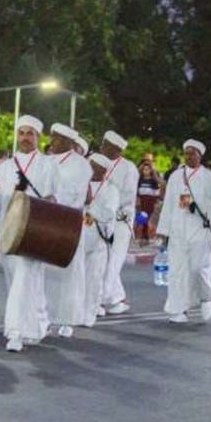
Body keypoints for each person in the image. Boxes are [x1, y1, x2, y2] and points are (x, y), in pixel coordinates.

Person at [0, 114, 61, 352]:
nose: (25, 137)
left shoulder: (49, 165)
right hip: (9, 231)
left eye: (30, 133)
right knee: (21, 281)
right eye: (22, 133)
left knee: (23, 278)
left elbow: (59, 199)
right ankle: (37, 326)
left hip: (35, 231)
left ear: (38, 137)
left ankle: (15, 333)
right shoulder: (5, 167)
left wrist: (51, 201)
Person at [156, 139, 211, 323]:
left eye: (192, 153)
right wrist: (163, 230)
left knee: (198, 269)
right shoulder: (175, 176)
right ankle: (178, 310)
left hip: (200, 230)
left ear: (200, 155)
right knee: (177, 271)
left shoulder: (209, 177)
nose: (189, 156)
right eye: (186, 153)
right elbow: (169, 205)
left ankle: (205, 298)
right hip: (178, 230)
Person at [44, 123, 93, 339]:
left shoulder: (81, 165)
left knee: (69, 274)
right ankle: (45, 316)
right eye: (52, 137)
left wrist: (54, 200)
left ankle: (67, 320)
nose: (51, 141)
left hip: (68, 223)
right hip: (46, 223)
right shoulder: (46, 161)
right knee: (45, 274)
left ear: (67, 142)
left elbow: (76, 196)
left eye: (55, 138)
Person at [99, 131, 139, 316]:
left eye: (105, 144)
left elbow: (127, 196)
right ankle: (115, 300)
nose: (102, 145)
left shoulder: (128, 168)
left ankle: (99, 300)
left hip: (120, 220)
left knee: (112, 262)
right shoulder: (98, 162)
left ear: (116, 149)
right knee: (101, 261)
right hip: (99, 219)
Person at [84, 153, 120, 326]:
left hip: (98, 240)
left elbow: (108, 214)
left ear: (103, 170)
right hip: (76, 239)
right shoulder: (80, 184)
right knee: (76, 280)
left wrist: (91, 204)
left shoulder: (111, 190)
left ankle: (89, 314)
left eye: (92, 165)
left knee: (93, 279)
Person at [135, 160, 162, 244]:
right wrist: (137, 203)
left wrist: (156, 203)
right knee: (141, 222)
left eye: (148, 169)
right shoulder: (139, 180)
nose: (146, 171)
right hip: (142, 203)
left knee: (149, 222)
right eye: (144, 169)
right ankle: (142, 238)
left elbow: (157, 192)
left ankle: (150, 237)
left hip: (151, 203)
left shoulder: (154, 181)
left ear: (151, 171)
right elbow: (137, 193)